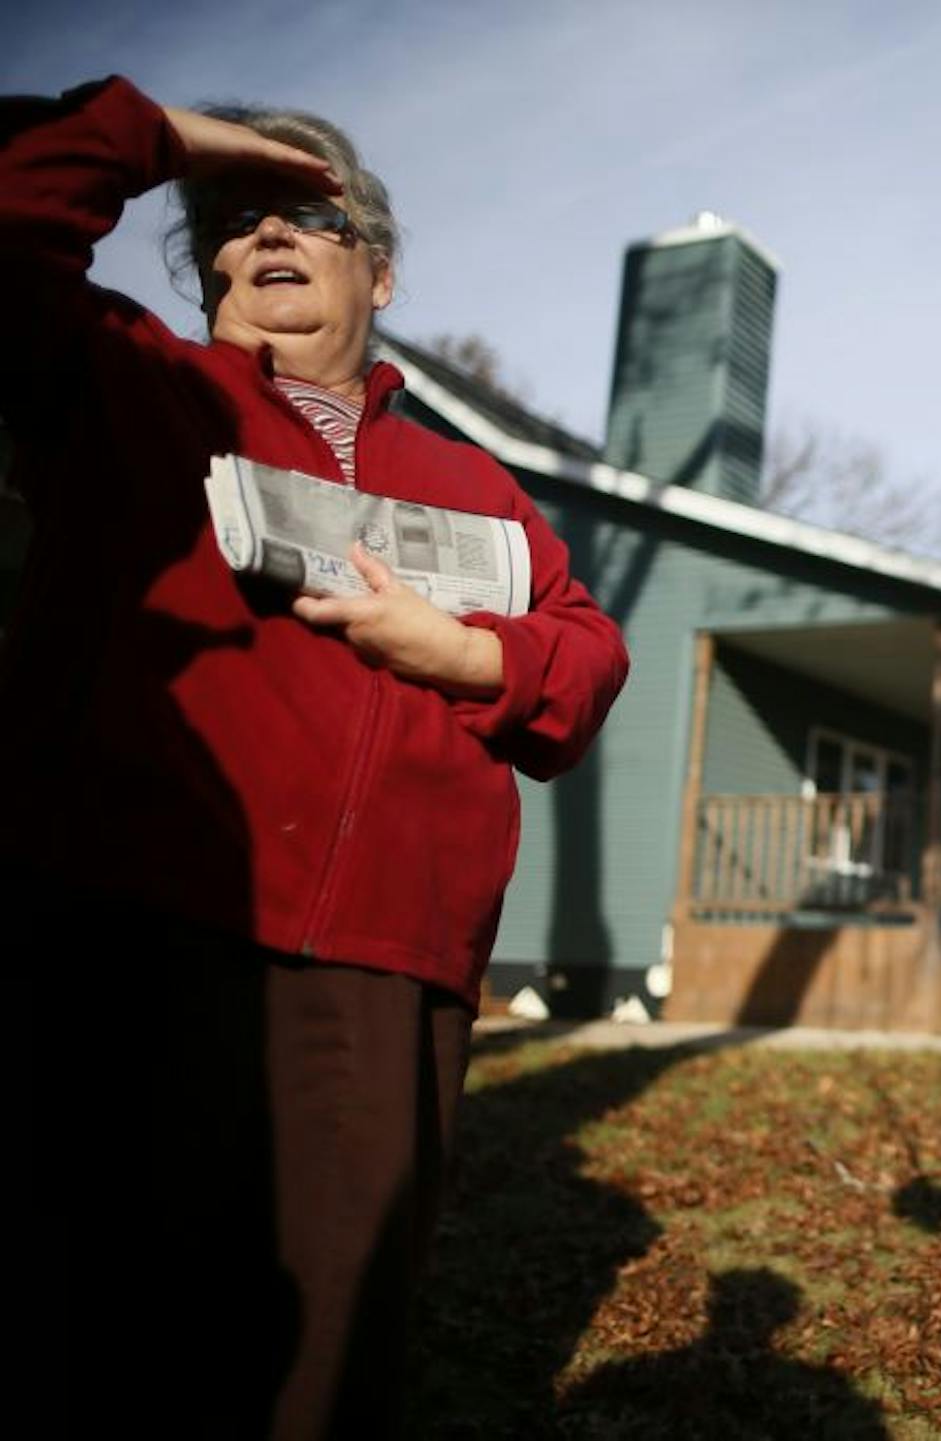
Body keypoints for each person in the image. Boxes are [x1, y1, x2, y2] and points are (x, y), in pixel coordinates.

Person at [1, 77, 629, 1436]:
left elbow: (586, 662)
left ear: (381, 275)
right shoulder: (129, 387)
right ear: (210, 266)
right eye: (232, 218)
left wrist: (475, 658)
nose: (266, 230)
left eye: (310, 212)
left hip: (387, 964)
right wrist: (168, 141)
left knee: (326, 1356)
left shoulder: (483, 491)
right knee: (93, 1324)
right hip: (138, 922)